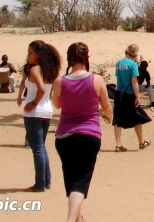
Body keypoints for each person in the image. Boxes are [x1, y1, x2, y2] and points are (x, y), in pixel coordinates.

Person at [51, 42, 112, 222]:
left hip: (65, 136)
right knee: (80, 182)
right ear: (86, 58)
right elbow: (106, 106)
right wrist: (107, 115)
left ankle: (78, 218)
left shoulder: (59, 81)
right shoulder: (97, 79)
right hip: (89, 134)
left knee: (71, 181)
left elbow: (57, 104)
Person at [17, 41, 61, 192]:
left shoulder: (35, 69)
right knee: (41, 147)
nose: (28, 56)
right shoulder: (49, 70)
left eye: (30, 53)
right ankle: (46, 180)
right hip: (47, 111)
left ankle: (40, 184)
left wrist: (33, 103)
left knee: (37, 149)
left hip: (35, 113)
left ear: (38, 54)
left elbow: (41, 89)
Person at [112, 44, 151, 151]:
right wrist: (137, 96)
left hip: (119, 93)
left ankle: (118, 144)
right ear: (135, 53)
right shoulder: (133, 65)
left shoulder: (119, 63)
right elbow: (134, 82)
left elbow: (118, 79)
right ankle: (141, 141)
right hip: (129, 94)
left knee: (117, 119)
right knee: (137, 117)